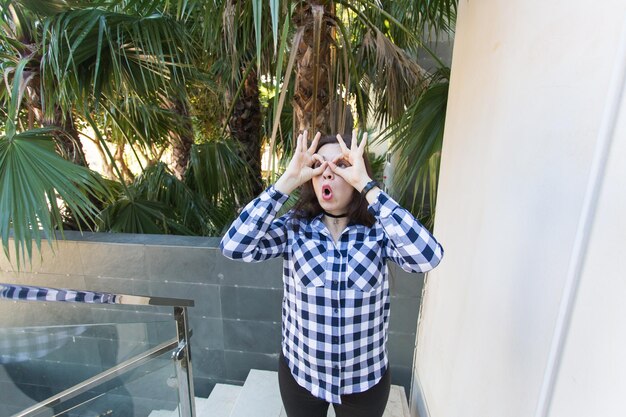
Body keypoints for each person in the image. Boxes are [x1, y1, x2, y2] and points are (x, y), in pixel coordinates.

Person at [220, 130, 444, 417]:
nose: (326, 173)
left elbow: (429, 256)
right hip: (301, 377)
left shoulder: (380, 232)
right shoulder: (294, 229)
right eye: (318, 166)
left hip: (364, 382)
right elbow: (234, 246)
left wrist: (368, 186)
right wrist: (286, 182)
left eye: (339, 166)